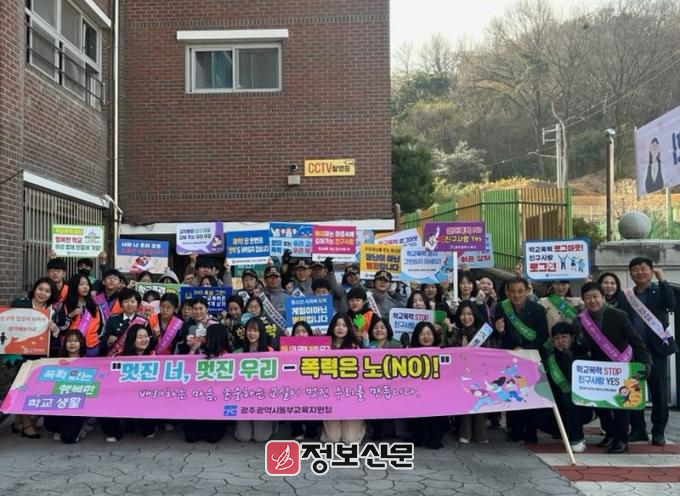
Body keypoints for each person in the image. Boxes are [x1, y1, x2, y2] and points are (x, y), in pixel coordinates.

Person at [575, 282, 652, 453]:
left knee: (620, 404)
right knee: (601, 404)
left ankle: (622, 440)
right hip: (599, 368)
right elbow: (582, 347)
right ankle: (610, 433)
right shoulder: (580, 320)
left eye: (595, 296)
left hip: (621, 365)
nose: (592, 301)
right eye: (588, 298)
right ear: (583, 300)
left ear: (603, 297)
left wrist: (646, 362)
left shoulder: (619, 315)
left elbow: (636, 341)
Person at [617, 257, 677, 446]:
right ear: (630, 273)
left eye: (643, 269)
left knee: (658, 390)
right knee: (633, 388)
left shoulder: (660, 291)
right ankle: (638, 429)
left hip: (656, 348)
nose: (639, 272)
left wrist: (663, 280)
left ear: (651, 271)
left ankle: (658, 431)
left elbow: (671, 304)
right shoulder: (626, 295)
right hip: (634, 349)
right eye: (635, 269)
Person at [494, 277, 549, 443]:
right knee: (512, 392)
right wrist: (500, 331)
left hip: (531, 358)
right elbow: (498, 336)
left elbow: (543, 335)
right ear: (507, 292)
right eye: (512, 292)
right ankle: (515, 430)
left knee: (530, 394)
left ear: (526, 291)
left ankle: (531, 432)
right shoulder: (501, 308)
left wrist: (525, 350)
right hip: (510, 358)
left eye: (520, 291)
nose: (516, 295)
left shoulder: (538, 309)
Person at [100, 325, 158, 442]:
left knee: (148, 431)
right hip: (124, 395)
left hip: (145, 396)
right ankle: (114, 432)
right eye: (140, 337)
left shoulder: (153, 355)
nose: (144, 340)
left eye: (146, 336)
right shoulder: (120, 357)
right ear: (132, 339)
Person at [543, 322, 593, 453]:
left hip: (584, 405)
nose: (560, 341)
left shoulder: (583, 357)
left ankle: (577, 438)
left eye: (564, 337)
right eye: (557, 338)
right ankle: (561, 431)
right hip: (559, 404)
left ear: (572, 338)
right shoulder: (551, 359)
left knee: (569, 398)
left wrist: (568, 359)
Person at [450, 301, 494, 444]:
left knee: (480, 401)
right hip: (461, 375)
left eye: (469, 314)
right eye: (463, 314)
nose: (466, 317)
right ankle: (465, 432)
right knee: (465, 402)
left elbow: (490, 353)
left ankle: (480, 433)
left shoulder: (483, 334)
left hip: (481, 374)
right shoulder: (456, 333)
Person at [182, 323, 232, 443]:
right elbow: (186, 367)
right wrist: (193, 349)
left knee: (213, 438)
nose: (205, 338)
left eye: (208, 335)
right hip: (198, 400)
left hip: (217, 404)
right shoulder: (201, 353)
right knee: (190, 437)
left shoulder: (229, 357)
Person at [322, 314, 366, 444]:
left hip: (350, 394)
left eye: (344, 325)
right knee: (332, 439)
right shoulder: (323, 344)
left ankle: (362, 426)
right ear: (332, 327)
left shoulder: (355, 346)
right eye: (337, 325)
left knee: (350, 440)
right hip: (330, 394)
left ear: (349, 328)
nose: (340, 328)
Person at [234, 317, 277, 442]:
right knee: (243, 437)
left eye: (255, 331)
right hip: (244, 398)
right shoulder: (238, 353)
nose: (251, 333)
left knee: (260, 438)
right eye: (249, 330)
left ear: (261, 333)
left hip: (263, 398)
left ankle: (273, 423)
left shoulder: (270, 352)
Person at [408, 322, 448, 449]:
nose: (426, 337)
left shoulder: (443, 351)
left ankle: (435, 438)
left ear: (434, 335)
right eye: (422, 334)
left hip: (437, 393)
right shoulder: (409, 353)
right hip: (418, 392)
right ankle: (418, 435)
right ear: (416, 336)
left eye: (429, 333)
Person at [43, 329, 88, 443]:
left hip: (77, 405)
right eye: (69, 341)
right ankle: (64, 428)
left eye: (76, 341)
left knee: (68, 439)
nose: (72, 344)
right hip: (60, 403)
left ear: (81, 343)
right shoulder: (58, 361)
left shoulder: (87, 362)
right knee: (48, 425)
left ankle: (81, 426)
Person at [288, 321, 321, 441]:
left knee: (312, 405)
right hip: (294, 386)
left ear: (309, 333)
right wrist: (286, 343)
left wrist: (320, 341)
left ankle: (311, 428)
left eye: (304, 331)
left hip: (312, 385)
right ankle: (297, 429)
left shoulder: (317, 346)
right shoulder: (287, 348)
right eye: (297, 332)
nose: (300, 334)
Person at [59, 274, 103, 357]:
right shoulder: (65, 305)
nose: (85, 287)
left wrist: (97, 339)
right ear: (74, 286)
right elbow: (61, 329)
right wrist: (70, 315)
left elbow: (102, 326)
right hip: (72, 348)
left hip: (92, 346)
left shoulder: (95, 306)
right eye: (82, 284)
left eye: (87, 284)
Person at [99, 288, 144, 356]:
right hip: (115, 358)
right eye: (126, 302)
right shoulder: (113, 320)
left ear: (138, 304)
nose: (129, 304)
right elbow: (102, 342)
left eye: (132, 302)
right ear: (121, 304)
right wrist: (108, 342)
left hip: (135, 357)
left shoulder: (142, 321)